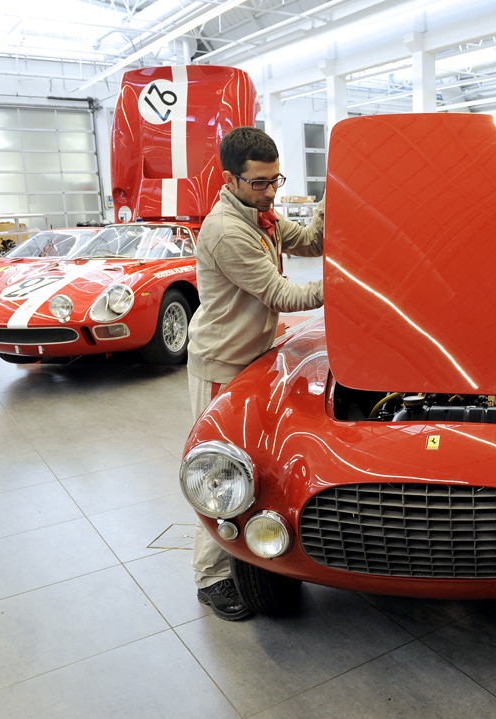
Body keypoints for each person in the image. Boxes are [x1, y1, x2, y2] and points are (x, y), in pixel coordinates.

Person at [186, 126, 325, 620]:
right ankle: (210, 577)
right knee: (221, 472)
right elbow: (281, 294)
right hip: (223, 362)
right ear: (231, 179)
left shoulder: (261, 213)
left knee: (254, 467)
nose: (270, 191)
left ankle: (252, 547)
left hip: (255, 356)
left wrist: (332, 199)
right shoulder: (228, 230)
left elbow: (309, 241)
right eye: (260, 182)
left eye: (275, 180)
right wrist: (349, 283)